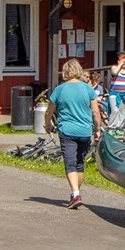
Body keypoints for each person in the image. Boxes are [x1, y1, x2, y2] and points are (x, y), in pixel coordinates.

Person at [47, 58, 97, 208]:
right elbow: (95, 111)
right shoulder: (88, 89)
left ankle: (75, 194)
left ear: (65, 72)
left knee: (70, 163)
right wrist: (98, 129)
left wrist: (47, 124)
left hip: (67, 130)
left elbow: (49, 111)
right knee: (79, 164)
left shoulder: (60, 89)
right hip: (85, 130)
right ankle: (74, 193)